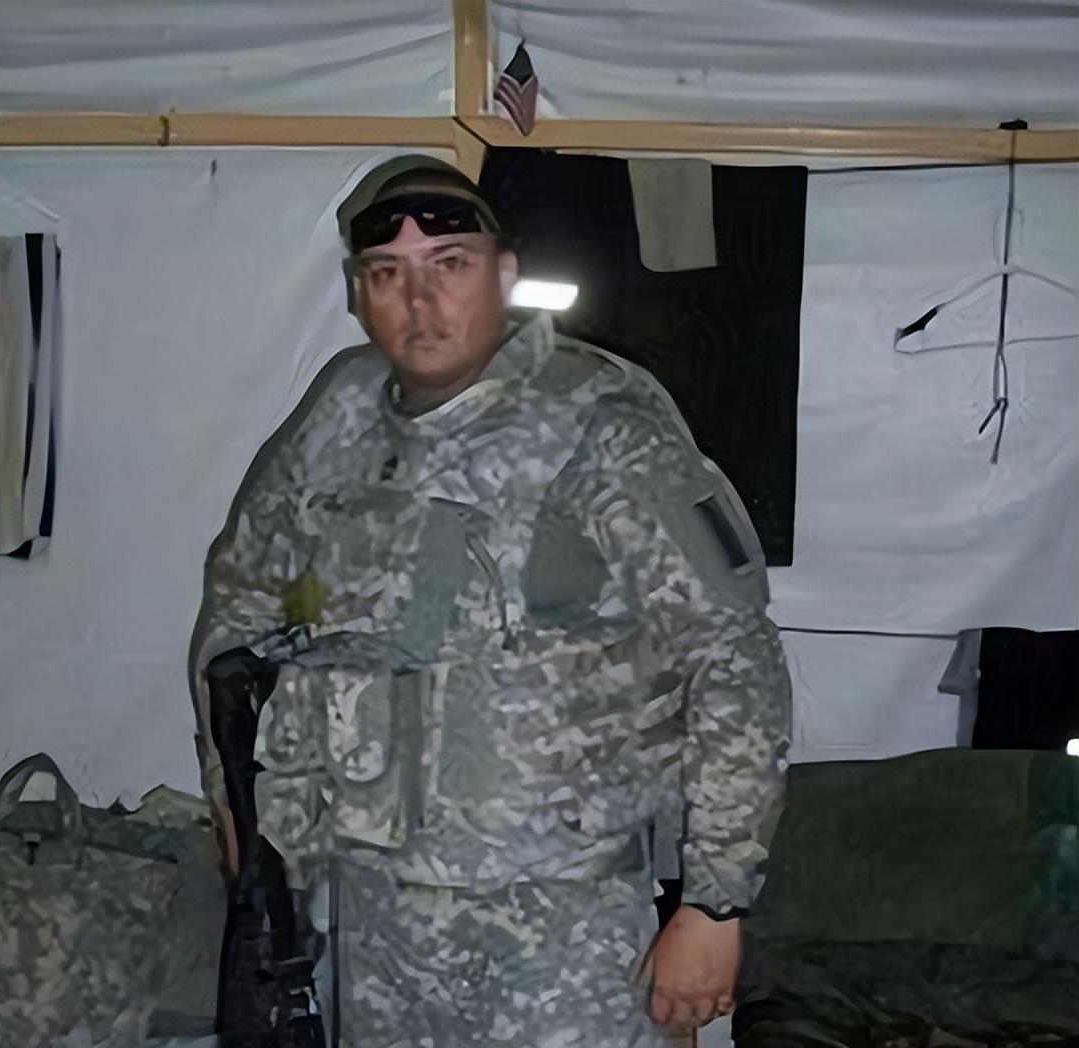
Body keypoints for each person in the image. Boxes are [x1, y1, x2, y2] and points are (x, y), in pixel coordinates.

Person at [189, 155, 792, 1045]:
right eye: (387, 274)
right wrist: (241, 813)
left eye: (451, 266)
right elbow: (237, 613)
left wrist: (714, 904)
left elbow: (733, 655)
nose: (420, 301)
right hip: (376, 908)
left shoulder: (601, 424)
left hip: (563, 919)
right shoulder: (339, 417)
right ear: (357, 293)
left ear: (503, 274)